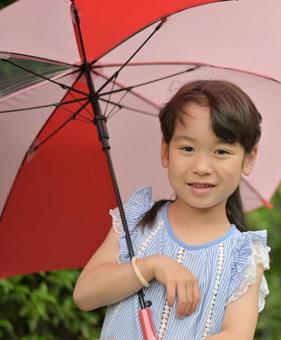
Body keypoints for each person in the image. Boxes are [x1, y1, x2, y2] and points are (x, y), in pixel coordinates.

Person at [73, 80, 270, 339]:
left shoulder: (243, 256)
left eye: (221, 151)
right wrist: (150, 267)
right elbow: (85, 294)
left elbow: (237, 334)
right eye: (187, 148)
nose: (201, 166)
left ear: (249, 158)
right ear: (166, 151)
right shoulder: (138, 221)